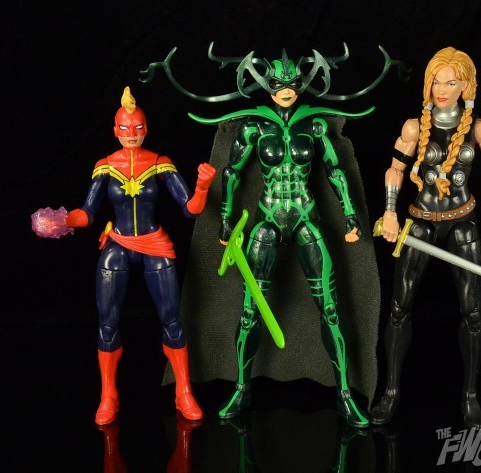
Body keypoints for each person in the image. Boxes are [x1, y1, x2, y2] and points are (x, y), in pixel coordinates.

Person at [140, 43, 405, 428]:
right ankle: (242, 388)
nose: (286, 90)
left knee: (330, 308)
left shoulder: (314, 126)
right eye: (279, 84)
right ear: (267, 86)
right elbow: (233, 173)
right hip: (267, 219)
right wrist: (226, 219)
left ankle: (345, 393)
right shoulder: (254, 127)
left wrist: (350, 214)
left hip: (306, 218)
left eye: (292, 84)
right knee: (250, 310)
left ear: (301, 85)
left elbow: (334, 171)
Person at [32, 87, 216, 425]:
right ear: (115, 130)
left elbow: (191, 209)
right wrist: (65, 220)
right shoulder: (105, 166)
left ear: (146, 128)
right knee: (107, 323)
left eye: (138, 127)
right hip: (118, 241)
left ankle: (184, 391)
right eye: (125, 128)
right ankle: (108, 395)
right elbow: (88, 213)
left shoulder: (160, 163)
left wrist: (203, 186)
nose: (131, 134)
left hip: (154, 242)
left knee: (172, 321)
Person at [370, 47, 481, 428]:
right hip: (420, 221)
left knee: (473, 311)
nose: (442, 90)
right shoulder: (414, 128)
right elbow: (395, 169)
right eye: (436, 82)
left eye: (451, 83)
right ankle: (391, 391)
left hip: (462, 221)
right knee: (399, 307)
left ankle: (470, 396)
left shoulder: (479, 128)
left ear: (465, 87)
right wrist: (390, 211)